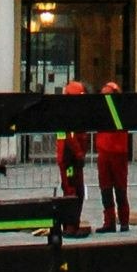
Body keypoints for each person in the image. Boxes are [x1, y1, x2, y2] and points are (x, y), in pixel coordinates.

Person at [96, 80, 134, 232]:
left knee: (119, 190)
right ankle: (111, 222)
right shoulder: (107, 111)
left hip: (116, 154)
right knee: (107, 189)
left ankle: (121, 222)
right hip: (107, 153)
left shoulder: (119, 111)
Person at [55, 79, 90, 236]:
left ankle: (72, 225)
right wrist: (80, 154)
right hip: (69, 159)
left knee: (77, 192)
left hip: (73, 159)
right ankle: (69, 227)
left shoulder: (73, 113)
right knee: (71, 192)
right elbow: (71, 138)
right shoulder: (68, 114)